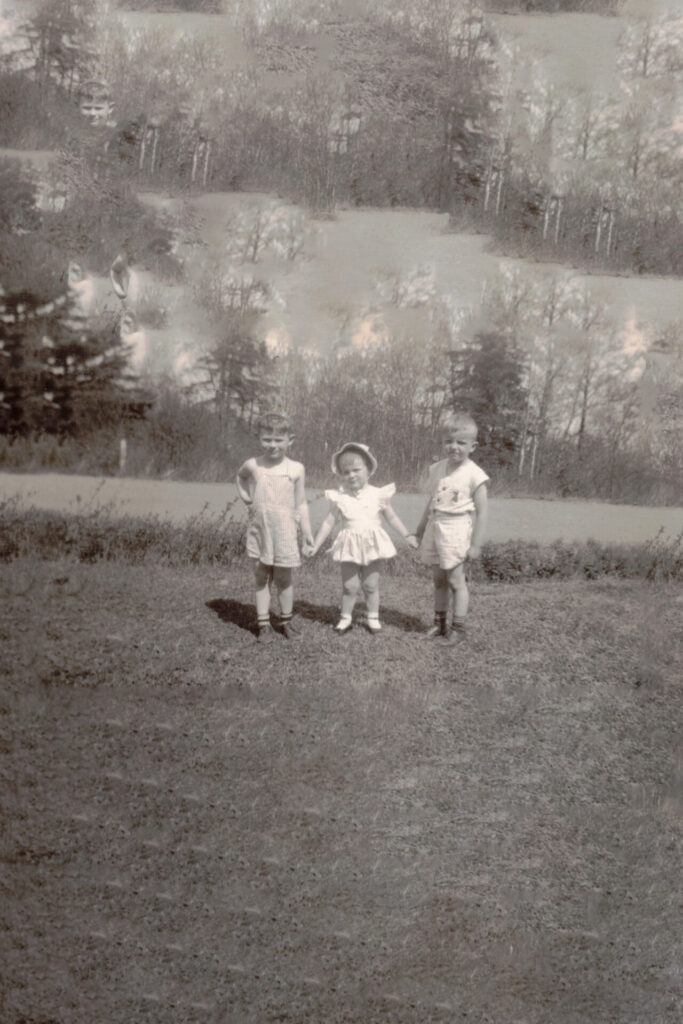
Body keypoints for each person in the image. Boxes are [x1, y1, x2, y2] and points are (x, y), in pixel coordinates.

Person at [308, 442, 418, 635]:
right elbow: (328, 522)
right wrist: (316, 544)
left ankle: (373, 617)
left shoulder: (378, 494)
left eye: (356, 470)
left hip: (372, 545)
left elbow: (391, 517)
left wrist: (407, 535)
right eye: (345, 472)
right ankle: (345, 618)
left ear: (369, 470)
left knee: (370, 584)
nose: (351, 475)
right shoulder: (339, 497)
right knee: (350, 586)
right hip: (348, 545)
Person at [236, 411, 314, 642]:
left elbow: (300, 502)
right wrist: (246, 499)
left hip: (285, 531)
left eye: (278, 440)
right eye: (267, 439)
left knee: (284, 579)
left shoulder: (296, 468)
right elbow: (240, 478)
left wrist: (307, 534)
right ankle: (263, 625)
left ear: (290, 440)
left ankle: (286, 622)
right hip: (261, 531)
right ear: (259, 438)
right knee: (261, 577)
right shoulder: (253, 465)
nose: (272, 445)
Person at [415, 414, 489, 643]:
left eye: (461, 442)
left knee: (456, 580)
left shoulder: (475, 475)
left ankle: (459, 627)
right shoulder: (438, 468)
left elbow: (483, 511)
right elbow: (433, 501)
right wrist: (419, 529)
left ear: (472, 446)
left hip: (457, 529)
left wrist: (476, 544)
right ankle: (439, 624)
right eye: (449, 441)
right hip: (436, 525)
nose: (454, 447)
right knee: (439, 579)